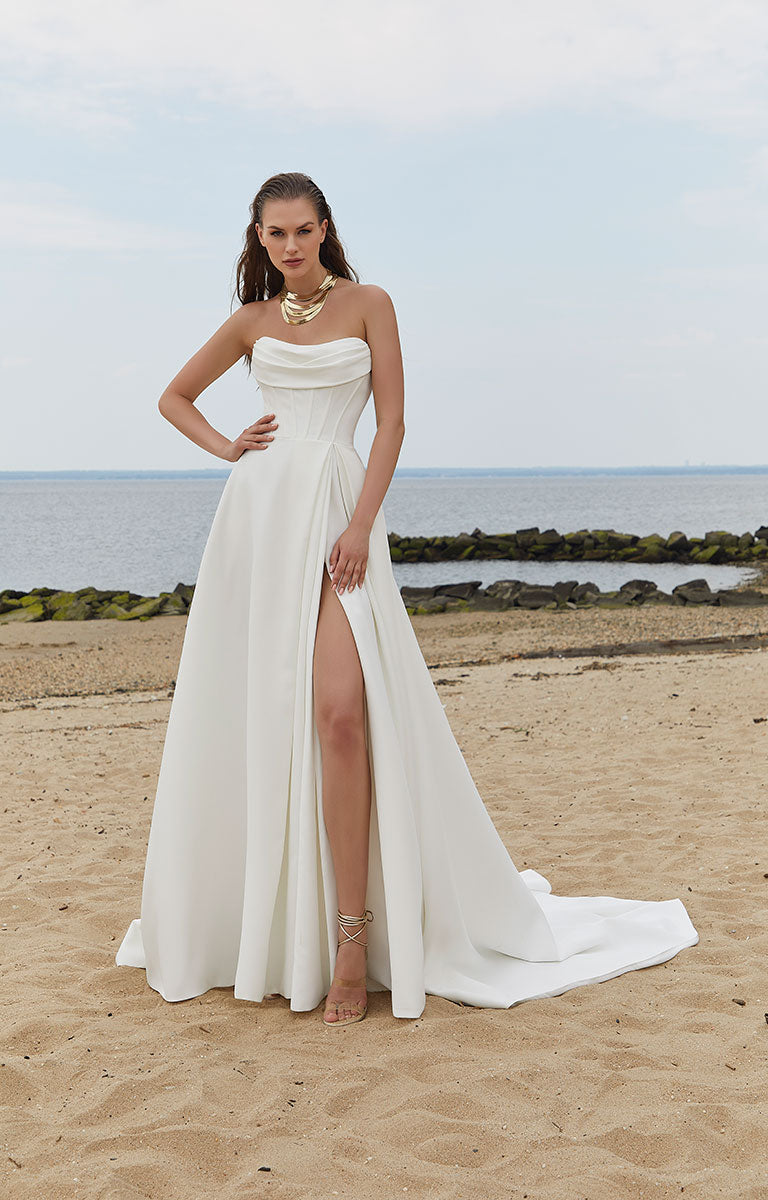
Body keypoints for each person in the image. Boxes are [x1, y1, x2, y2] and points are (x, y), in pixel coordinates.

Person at [116, 171, 699, 1027]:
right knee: (273, 715)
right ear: (258, 238)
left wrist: (360, 525)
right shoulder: (249, 321)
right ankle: (288, 924)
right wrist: (228, 447)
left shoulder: (370, 303)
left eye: (303, 231)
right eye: (274, 234)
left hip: (341, 512)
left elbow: (390, 424)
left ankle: (353, 936)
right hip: (260, 517)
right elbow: (172, 398)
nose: (290, 246)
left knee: (342, 714)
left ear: (324, 229)